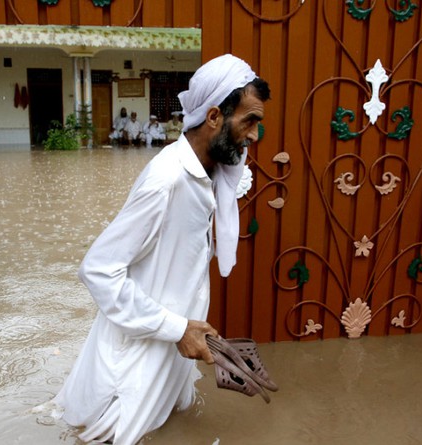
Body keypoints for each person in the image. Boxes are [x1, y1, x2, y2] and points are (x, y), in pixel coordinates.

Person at [51, 54, 270, 444]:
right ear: (215, 117)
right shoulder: (166, 181)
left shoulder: (207, 174)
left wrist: (186, 329)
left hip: (175, 350)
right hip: (135, 364)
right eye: (249, 121)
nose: (254, 135)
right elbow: (98, 269)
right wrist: (177, 327)